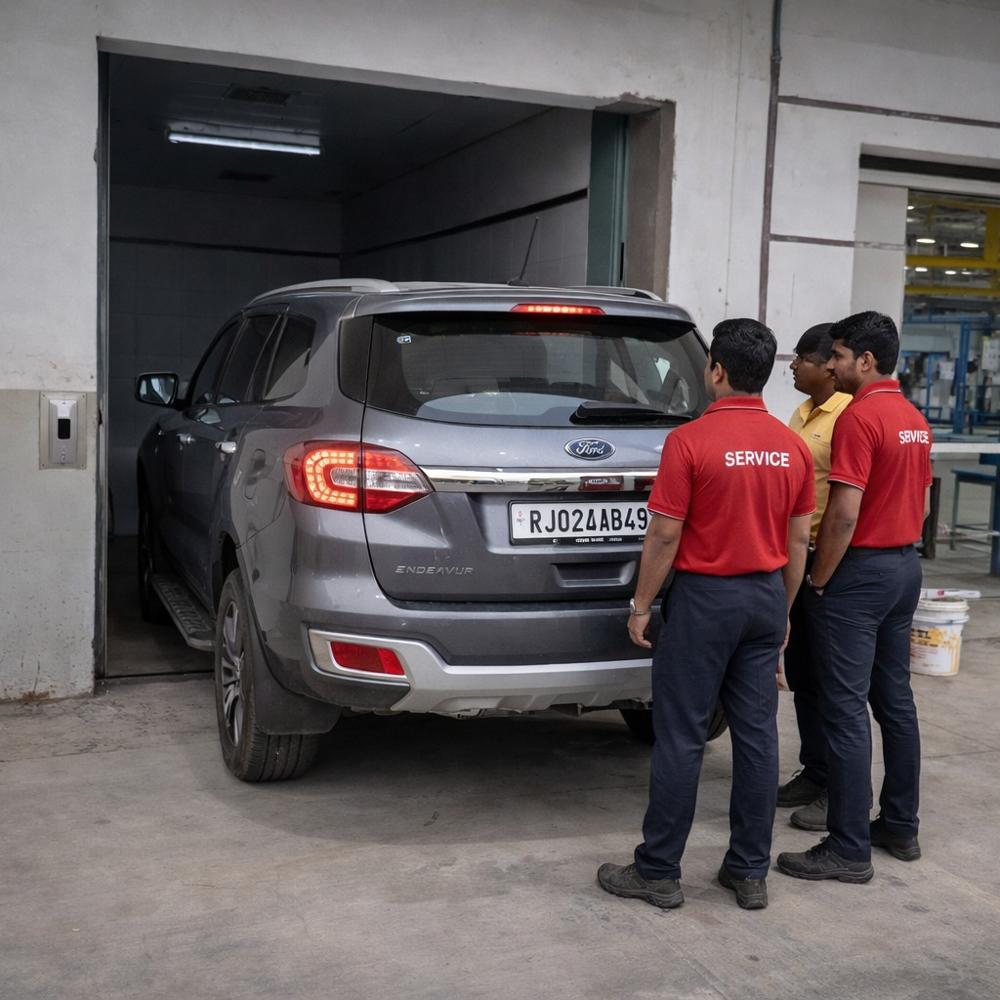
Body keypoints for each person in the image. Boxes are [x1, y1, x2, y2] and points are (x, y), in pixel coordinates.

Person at [597, 318, 814, 911]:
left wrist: (641, 605)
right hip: (765, 598)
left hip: (703, 603)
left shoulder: (689, 442)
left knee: (681, 738)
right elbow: (798, 545)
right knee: (757, 737)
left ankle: (659, 870)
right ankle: (748, 872)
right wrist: (784, 613)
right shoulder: (791, 446)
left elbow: (665, 537)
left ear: (716, 370)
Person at [777, 311, 932, 884]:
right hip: (902, 567)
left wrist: (819, 579)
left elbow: (842, 513)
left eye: (838, 355)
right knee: (894, 702)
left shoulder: (860, 418)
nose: (833, 363)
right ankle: (899, 824)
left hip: (858, 574)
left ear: (866, 360)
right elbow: (919, 503)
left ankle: (846, 847)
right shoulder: (914, 417)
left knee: (844, 709)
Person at [776, 325, 852, 832]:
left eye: (801, 358)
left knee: (832, 683)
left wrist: (823, 574)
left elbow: (850, 504)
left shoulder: (848, 416)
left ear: (830, 364)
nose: (794, 367)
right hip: (795, 557)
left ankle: (839, 791)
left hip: (831, 564)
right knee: (801, 673)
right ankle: (815, 768)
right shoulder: (801, 414)